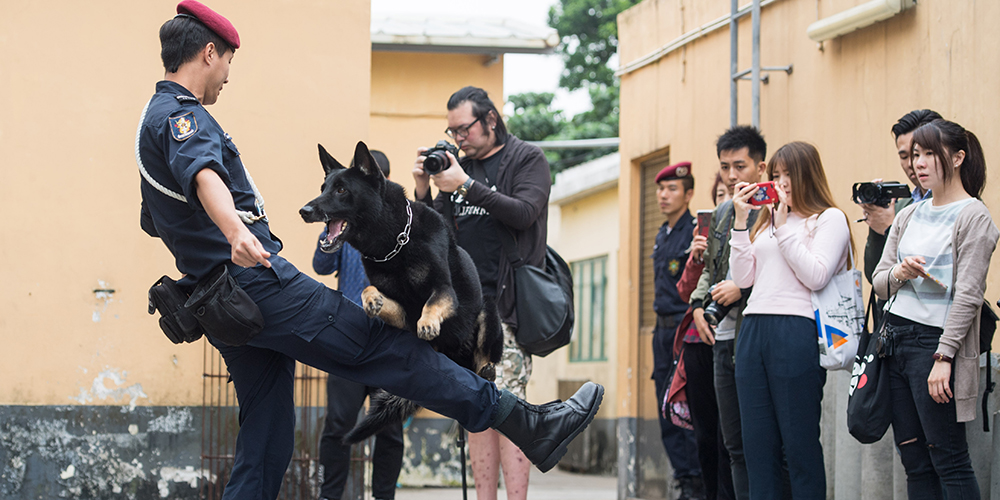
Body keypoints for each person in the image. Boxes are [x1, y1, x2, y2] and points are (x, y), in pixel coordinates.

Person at [136, 4, 603, 499]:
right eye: (228, 60)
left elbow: (155, 217)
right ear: (209, 53)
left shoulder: (152, 119)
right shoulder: (184, 118)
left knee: (266, 428)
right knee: (381, 347)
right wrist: (234, 230)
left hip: (224, 301)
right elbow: (205, 175)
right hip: (255, 283)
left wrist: (204, 243)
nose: (227, 75)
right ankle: (526, 422)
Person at [411, 86, 546, 500]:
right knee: (476, 410)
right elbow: (435, 233)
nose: (458, 140)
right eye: (451, 133)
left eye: (463, 129)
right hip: (464, 310)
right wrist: (422, 190)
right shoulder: (456, 168)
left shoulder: (526, 159)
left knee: (506, 407)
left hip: (506, 307)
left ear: (490, 119)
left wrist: (465, 184)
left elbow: (524, 213)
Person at [872, 119, 996, 500]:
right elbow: (879, 282)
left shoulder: (974, 216)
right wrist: (900, 272)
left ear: (957, 158)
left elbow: (970, 295)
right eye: (914, 155)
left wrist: (944, 356)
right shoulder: (909, 213)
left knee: (950, 459)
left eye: (929, 154)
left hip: (935, 345)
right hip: (896, 342)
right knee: (915, 462)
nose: (919, 163)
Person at [729, 141, 852, 499]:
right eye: (776, 175)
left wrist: (783, 230)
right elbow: (743, 279)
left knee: (798, 447)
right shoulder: (766, 220)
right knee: (757, 448)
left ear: (806, 176)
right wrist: (741, 223)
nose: (780, 183)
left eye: (788, 175)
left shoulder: (829, 218)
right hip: (753, 329)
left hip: (795, 329)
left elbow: (816, 275)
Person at [314, 151, 404, 500]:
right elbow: (321, 265)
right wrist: (332, 221)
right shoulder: (344, 225)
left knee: (390, 431)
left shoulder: (402, 226)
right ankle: (329, 495)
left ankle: (384, 497)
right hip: (347, 339)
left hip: (391, 342)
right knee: (338, 425)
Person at [688, 126, 767, 500]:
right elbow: (710, 269)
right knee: (730, 443)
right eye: (725, 167)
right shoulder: (722, 212)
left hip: (759, 333)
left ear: (760, 167)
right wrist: (699, 307)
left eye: (740, 166)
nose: (732, 176)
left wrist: (744, 288)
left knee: (763, 441)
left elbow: (783, 271)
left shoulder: (774, 207)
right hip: (722, 336)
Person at [672, 168, 733, 500]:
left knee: (731, 437)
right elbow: (685, 290)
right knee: (706, 435)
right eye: (719, 196)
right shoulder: (704, 238)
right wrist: (697, 257)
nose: (725, 201)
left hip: (732, 340)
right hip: (698, 343)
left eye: (729, 194)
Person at [648, 162, 704, 500]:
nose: (663, 195)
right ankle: (683, 480)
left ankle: (697, 482)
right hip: (661, 334)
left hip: (684, 331)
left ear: (688, 193)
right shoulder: (661, 234)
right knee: (665, 408)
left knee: (687, 408)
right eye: (661, 189)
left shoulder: (695, 231)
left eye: (671, 189)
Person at [862, 109, 943, 325]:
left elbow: (936, 270)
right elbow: (875, 276)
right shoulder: (901, 205)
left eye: (920, 154)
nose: (912, 164)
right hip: (895, 327)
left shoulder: (958, 204)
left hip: (935, 324)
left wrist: (890, 227)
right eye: (904, 156)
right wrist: (877, 227)